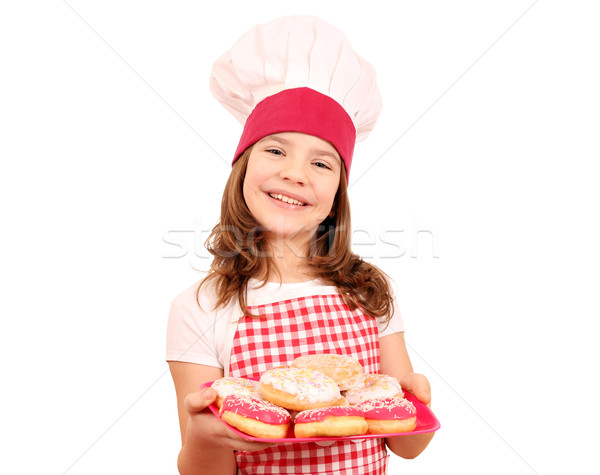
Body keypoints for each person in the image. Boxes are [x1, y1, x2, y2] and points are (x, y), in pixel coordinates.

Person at [166, 15, 434, 475]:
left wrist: (418, 405)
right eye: (275, 150)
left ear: (336, 196)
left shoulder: (370, 291)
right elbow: (204, 471)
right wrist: (203, 436)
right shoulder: (201, 307)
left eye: (322, 162)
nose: (295, 173)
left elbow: (406, 447)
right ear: (242, 169)